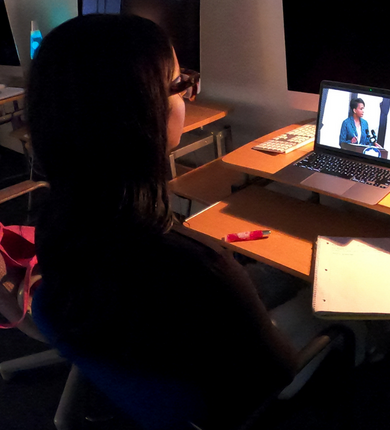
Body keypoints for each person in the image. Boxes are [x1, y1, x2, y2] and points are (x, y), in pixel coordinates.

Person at [27, 14, 298, 429]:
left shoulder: (56, 220)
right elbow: (277, 373)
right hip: (221, 393)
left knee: (275, 277)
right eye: (177, 84)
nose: (187, 96)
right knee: (309, 293)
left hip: (142, 340)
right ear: (138, 112)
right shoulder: (198, 270)